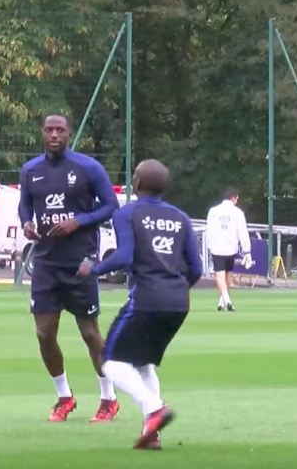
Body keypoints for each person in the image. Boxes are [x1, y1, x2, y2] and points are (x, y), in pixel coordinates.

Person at [78, 159, 203, 450]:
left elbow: (124, 256)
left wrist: (93, 269)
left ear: (137, 184)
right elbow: (196, 269)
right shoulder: (181, 217)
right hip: (178, 302)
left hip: (147, 299)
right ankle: (152, 433)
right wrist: (175, 286)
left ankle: (155, 408)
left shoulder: (127, 214)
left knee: (110, 362)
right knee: (143, 362)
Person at [18, 114, 121, 423]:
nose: (53, 134)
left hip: (82, 262)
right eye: (49, 130)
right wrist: (26, 223)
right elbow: (25, 204)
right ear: (42, 134)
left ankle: (108, 398)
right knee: (43, 333)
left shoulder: (88, 168)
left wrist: (80, 220)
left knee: (90, 333)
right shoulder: (30, 170)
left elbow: (110, 205)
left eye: (59, 130)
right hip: (46, 262)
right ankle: (64, 396)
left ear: (69, 134)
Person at [204, 187, 251, 312]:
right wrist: (247, 251)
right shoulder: (238, 213)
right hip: (231, 248)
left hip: (217, 247)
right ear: (233, 198)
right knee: (226, 274)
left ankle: (223, 301)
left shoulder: (213, 211)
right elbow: (243, 232)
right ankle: (227, 301)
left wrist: (209, 246)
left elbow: (209, 229)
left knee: (220, 274)